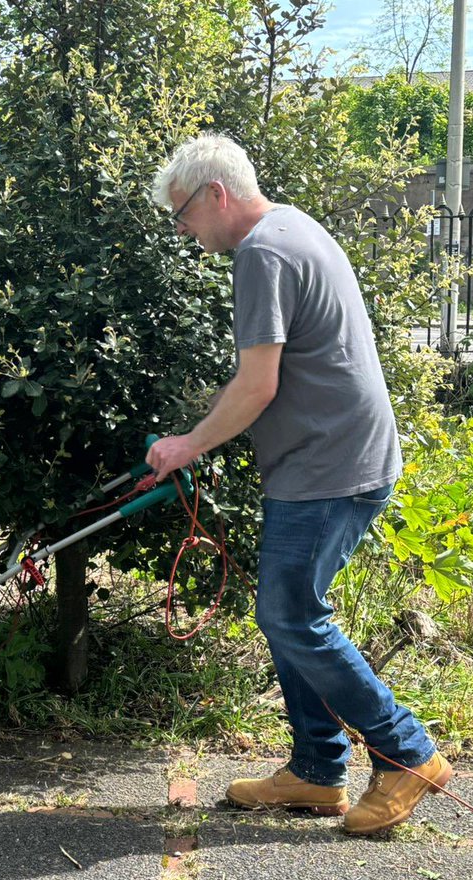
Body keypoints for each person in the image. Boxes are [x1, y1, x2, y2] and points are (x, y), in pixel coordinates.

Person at [145, 133, 450, 835]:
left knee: (291, 616)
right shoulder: (293, 226)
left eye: (183, 213)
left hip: (331, 467)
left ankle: (408, 753)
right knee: (285, 612)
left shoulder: (263, 252)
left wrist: (189, 443)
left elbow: (257, 385)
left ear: (215, 194)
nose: (185, 231)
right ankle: (317, 770)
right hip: (332, 458)